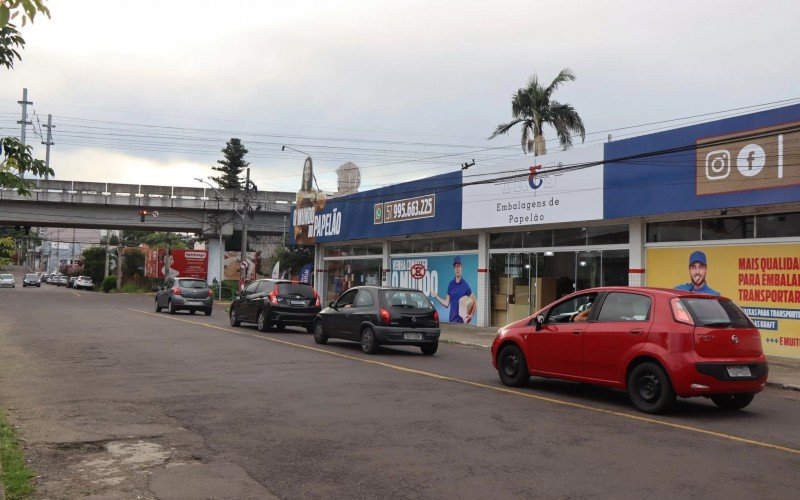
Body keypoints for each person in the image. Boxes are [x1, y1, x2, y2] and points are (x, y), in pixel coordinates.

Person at [431, 256, 477, 323]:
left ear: (461, 268)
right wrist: (436, 296)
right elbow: (446, 304)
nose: (457, 269)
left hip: (461, 323)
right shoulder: (451, 284)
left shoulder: (465, 285)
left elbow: (474, 301)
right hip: (451, 321)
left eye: (458, 266)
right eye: (455, 267)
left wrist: (471, 315)